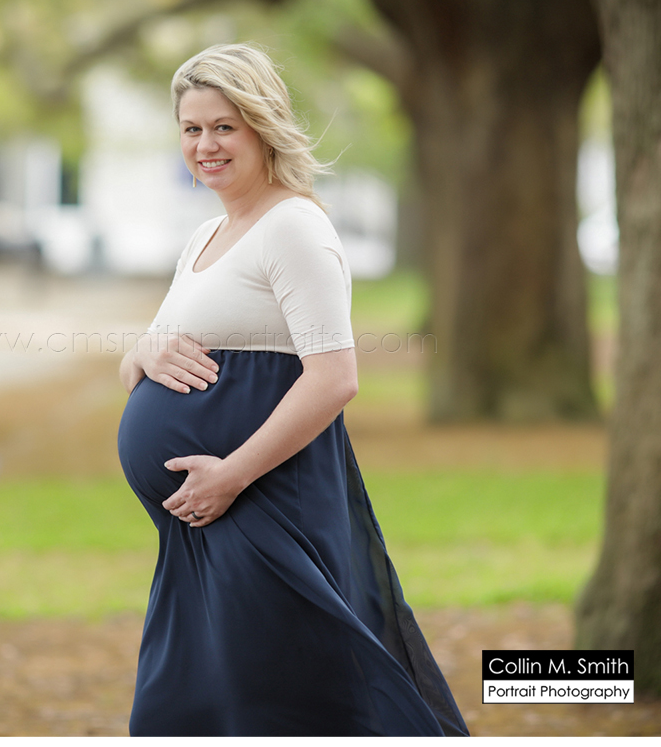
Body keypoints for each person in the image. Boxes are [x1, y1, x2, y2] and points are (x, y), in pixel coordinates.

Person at [117, 43, 469, 737]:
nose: (206, 145)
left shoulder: (295, 227)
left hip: (260, 504)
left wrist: (229, 477)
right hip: (194, 527)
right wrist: (142, 349)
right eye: (192, 128)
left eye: (224, 127)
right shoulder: (206, 236)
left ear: (263, 126)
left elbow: (335, 377)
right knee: (189, 706)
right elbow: (140, 365)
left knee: (285, 702)